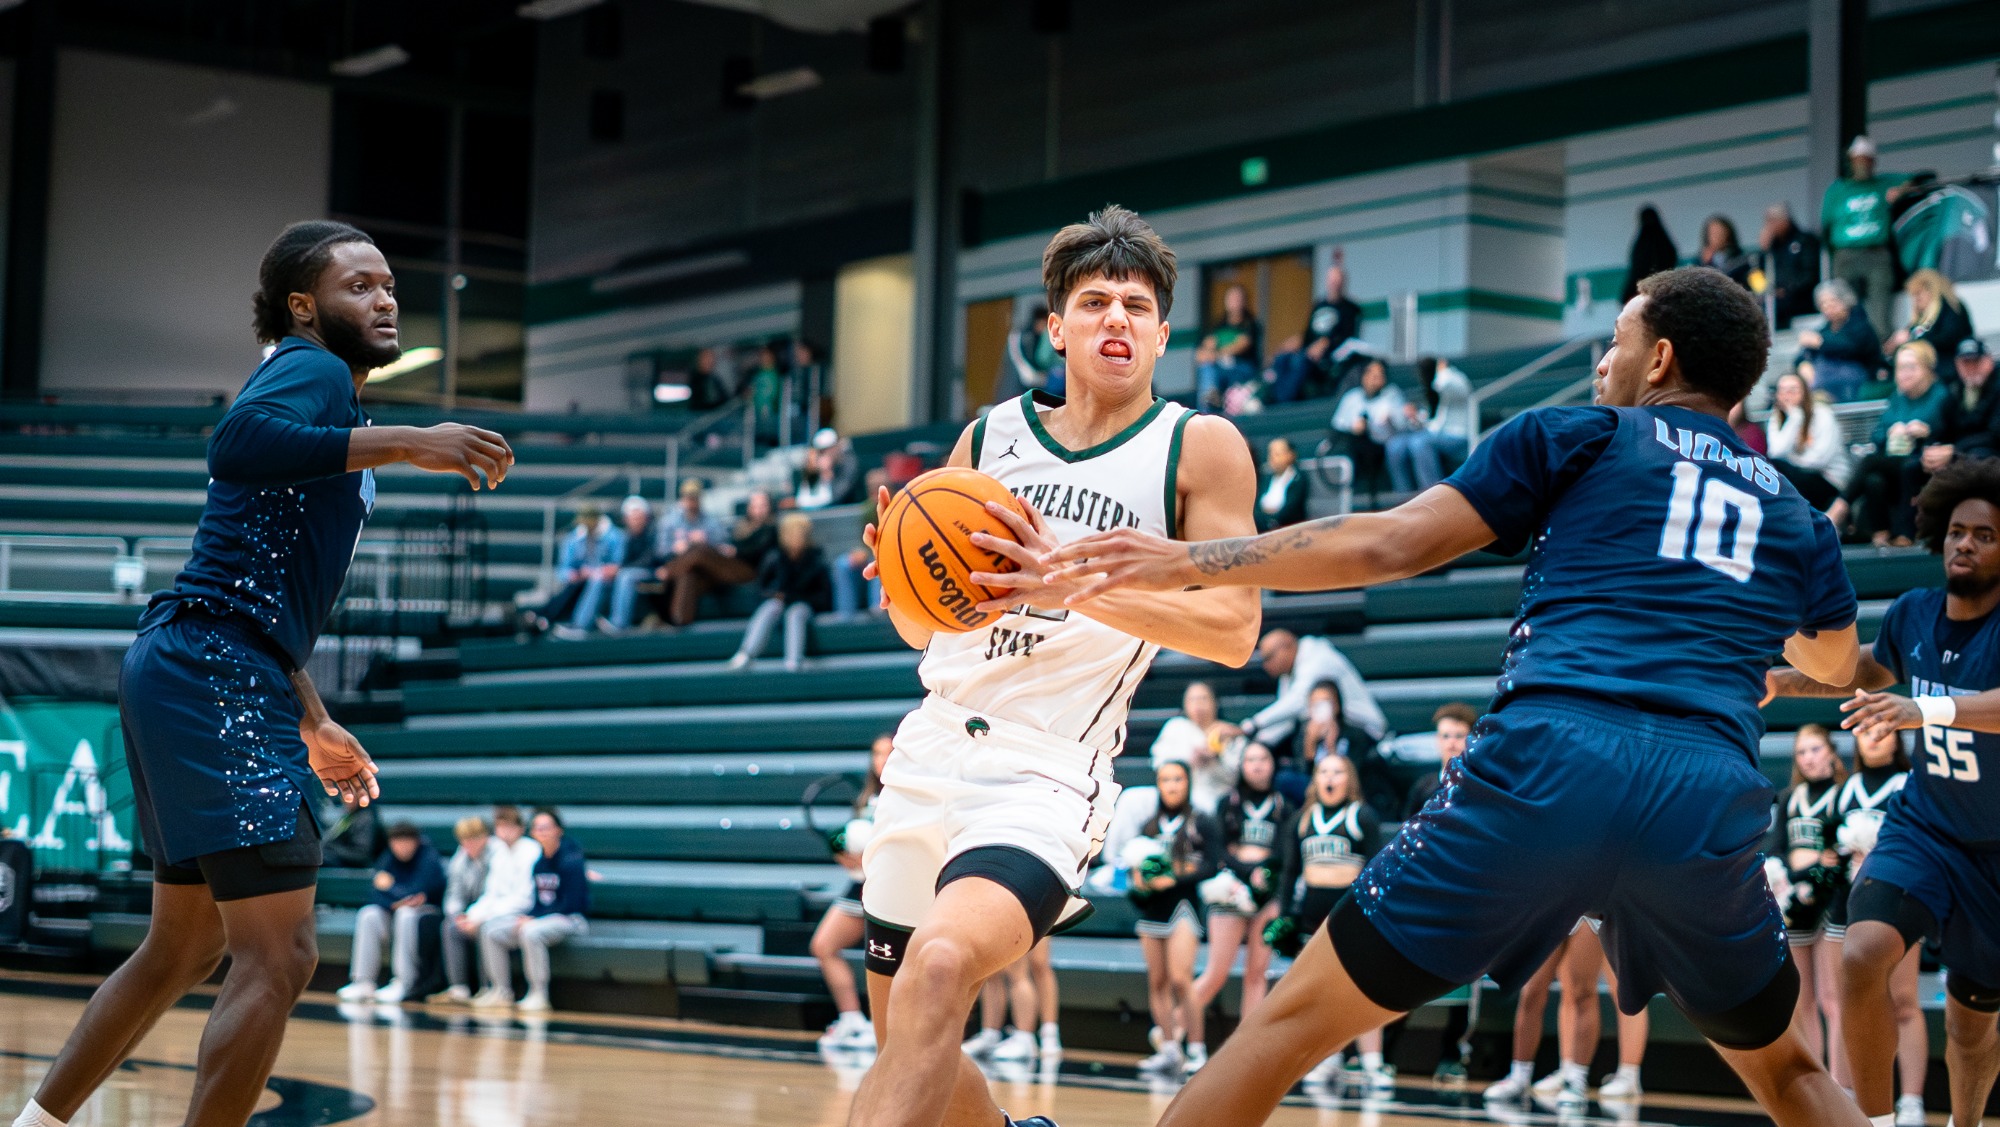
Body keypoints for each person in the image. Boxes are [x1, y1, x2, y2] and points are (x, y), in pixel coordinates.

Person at [1046, 266, 1872, 1127]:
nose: (1602, 363)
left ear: (1659, 359)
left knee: (1282, 1030)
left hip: (1554, 761)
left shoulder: (1577, 434)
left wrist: (1186, 560)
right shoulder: (1799, 516)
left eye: (1616, 342)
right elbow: (1834, 662)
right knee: (1792, 1074)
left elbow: (1391, 544)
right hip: (1705, 790)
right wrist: (1745, 646)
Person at [5, 220, 514, 1127]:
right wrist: (410, 441)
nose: (385, 298)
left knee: (184, 944)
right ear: (304, 306)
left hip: (202, 658)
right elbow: (236, 441)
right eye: (359, 285)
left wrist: (310, 716)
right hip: (213, 667)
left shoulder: (329, 398)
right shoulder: (312, 367)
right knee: (281, 955)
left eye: (389, 284)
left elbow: (255, 589)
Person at [844, 205, 1261, 1127]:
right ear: (1057, 329)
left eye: (1138, 306)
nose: (1117, 318)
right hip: (928, 752)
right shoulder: (989, 440)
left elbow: (1235, 629)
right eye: (1096, 301)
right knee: (907, 1036)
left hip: (1046, 769)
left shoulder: (1197, 447)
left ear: (1162, 335)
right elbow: (924, 633)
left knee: (939, 967)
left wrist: (1071, 584)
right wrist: (905, 583)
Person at [1764, 457, 2000, 1127]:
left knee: (1972, 1028)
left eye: (1984, 535)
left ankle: (1963, 1123)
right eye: (1956, 531)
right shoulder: (1914, 613)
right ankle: (1873, 1122)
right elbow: (1863, 670)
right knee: (1863, 954)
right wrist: (1781, 681)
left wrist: (1926, 711)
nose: (1964, 543)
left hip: (1994, 852)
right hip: (1925, 827)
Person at [1267, 754, 1389, 1091]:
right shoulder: (1302, 820)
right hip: (1312, 918)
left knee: (1363, 991)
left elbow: (1377, 868)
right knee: (1321, 994)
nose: (1330, 778)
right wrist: (1285, 916)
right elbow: (1289, 872)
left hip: (1353, 916)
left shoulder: (1361, 816)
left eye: (1338, 771)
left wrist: (1371, 914)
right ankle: (1328, 1060)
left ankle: (1372, 1064)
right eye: (1323, 772)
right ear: (1315, 780)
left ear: (1350, 780)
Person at [1825, 726, 1927, 1125]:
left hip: (1896, 903)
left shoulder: (1909, 784)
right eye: (1865, 731)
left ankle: (1912, 1101)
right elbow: (1827, 848)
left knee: (1903, 1001)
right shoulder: (1845, 790)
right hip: (1846, 907)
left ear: (1898, 739)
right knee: (1844, 1003)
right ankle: (1844, 1094)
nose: (1874, 737)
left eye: (1883, 731)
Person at [1123, 759, 1222, 1075]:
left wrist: (1175, 878)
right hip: (1152, 909)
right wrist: (1139, 880)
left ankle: (1196, 1049)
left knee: (1181, 979)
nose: (1172, 785)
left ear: (1188, 783)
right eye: (1165, 780)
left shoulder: (1201, 822)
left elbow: (1213, 865)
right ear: (1158, 785)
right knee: (1157, 981)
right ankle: (1168, 1049)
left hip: (1183, 906)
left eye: (1178, 779)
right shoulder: (1148, 827)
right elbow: (1136, 868)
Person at [1766, 725, 1848, 1072]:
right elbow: (1776, 850)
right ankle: (1817, 1082)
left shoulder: (1843, 794)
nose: (1809, 758)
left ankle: (1842, 1085)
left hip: (1832, 901)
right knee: (1803, 1001)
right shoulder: (1790, 797)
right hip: (1796, 902)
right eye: (1802, 752)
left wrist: (1809, 868)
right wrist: (1796, 874)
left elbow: (1839, 855)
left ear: (1831, 751)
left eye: (1815, 749)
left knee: (1833, 999)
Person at [1192, 742, 1291, 1027]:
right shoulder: (1228, 803)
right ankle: (1171, 1032)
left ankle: (1245, 1046)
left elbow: (1283, 854)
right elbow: (1219, 852)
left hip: (1267, 895)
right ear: (1242, 766)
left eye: (1263, 759)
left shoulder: (1284, 806)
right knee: (1216, 973)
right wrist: (1250, 869)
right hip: (1231, 891)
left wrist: (1262, 870)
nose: (1257, 765)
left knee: (1257, 975)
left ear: (1273, 764)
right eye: (1251, 759)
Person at [1830, 342, 1948, 545]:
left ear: (1927, 368)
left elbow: (1949, 434)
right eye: (1900, 368)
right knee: (1873, 479)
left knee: (1871, 462)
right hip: (1895, 464)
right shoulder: (1897, 398)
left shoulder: (1941, 396)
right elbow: (1877, 436)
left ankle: (1838, 509)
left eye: (1910, 367)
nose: (1903, 374)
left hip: (1925, 464)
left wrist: (1925, 432)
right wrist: (1890, 432)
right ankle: (1881, 536)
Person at [817, 735, 891, 1050]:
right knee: (824, 945)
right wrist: (841, 853)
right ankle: (852, 1020)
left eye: (888, 753)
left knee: (887, 959)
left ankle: (888, 1028)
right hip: (860, 886)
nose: (881, 760)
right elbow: (847, 839)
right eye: (876, 753)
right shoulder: (866, 797)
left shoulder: (905, 796)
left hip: (890, 887)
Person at [476, 807, 588, 1014]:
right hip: (545, 918)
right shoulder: (539, 863)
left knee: (531, 931)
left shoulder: (571, 860)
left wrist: (535, 919)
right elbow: (538, 901)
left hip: (570, 919)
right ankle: (501, 991)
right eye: (537, 828)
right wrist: (530, 916)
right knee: (491, 930)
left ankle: (539, 994)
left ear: (558, 830)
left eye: (546, 827)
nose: (542, 832)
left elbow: (571, 903)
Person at [338, 821, 445, 1004]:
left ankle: (403, 982)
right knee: (369, 914)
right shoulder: (388, 857)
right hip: (394, 911)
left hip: (427, 918)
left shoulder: (428, 857)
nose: (401, 847)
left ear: (416, 841)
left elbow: (416, 893)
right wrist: (397, 898)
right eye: (397, 842)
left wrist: (391, 888)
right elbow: (373, 895)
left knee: (405, 913)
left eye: (406, 842)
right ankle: (363, 981)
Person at [1237, 629, 1387, 754]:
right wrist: (1254, 741)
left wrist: (1253, 724)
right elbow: (1286, 722)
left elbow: (1297, 702)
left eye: (1268, 658)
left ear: (1286, 647)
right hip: (1333, 731)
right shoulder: (1288, 673)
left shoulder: (1317, 658)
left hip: (1363, 731)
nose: (1265, 666)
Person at [1822, 136, 1905, 335]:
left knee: (1879, 310)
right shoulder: (1837, 189)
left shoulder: (1884, 183)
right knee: (1843, 308)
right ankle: (1845, 343)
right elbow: (1825, 225)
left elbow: (1922, 177)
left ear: (1873, 162)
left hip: (1877, 253)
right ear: (1851, 161)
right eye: (1858, 159)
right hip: (1846, 254)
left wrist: (1901, 190)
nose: (1862, 163)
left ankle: (1880, 346)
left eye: (1866, 159)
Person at [728, 512, 831, 672]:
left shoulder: (817, 560)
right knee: (771, 606)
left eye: (801, 533)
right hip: (780, 605)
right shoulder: (774, 557)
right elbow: (761, 590)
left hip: (805, 605)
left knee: (795, 612)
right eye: (793, 533)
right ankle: (746, 653)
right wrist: (775, 595)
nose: (797, 537)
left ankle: (794, 661)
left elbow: (824, 597)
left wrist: (796, 598)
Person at [461, 806, 541, 1008]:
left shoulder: (531, 851)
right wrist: (472, 915)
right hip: (500, 913)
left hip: (525, 913)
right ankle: (489, 988)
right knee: (471, 926)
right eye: (500, 827)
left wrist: (485, 917)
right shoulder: (499, 854)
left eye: (509, 827)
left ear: (520, 828)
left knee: (489, 930)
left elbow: (525, 898)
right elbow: (490, 894)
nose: (505, 832)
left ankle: (502, 990)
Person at [649, 479, 739, 627]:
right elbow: (660, 551)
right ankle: (676, 621)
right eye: (688, 498)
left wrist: (706, 542)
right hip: (680, 569)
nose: (691, 502)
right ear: (682, 499)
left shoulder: (711, 522)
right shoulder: (669, 521)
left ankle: (671, 617)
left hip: (706, 571)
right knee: (686, 575)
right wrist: (675, 547)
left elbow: (726, 549)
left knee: (697, 556)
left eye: (694, 498)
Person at [1299, 680, 1390, 818]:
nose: (1320, 708)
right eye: (1315, 704)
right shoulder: (1302, 735)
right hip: (1314, 791)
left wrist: (1331, 745)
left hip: (1354, 791)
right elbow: (1303, 773)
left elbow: (1354, 773)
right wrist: (1310, 745)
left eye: (1325, 703)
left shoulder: (1355, 734)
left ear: (1336, 705)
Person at [532, 504, 624, 640]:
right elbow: (563, 568)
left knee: (595, 581)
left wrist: (593, 572)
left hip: (605, 582)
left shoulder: (615, 537)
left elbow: (617, 566)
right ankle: (544, 617)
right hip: (580, 582)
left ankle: (578, 624)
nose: (586, 526)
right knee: (572, 587)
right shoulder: (574, 538)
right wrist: (572, 574)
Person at [1150, 681, 1244, 814]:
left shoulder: (1229, 732)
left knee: (1201, 804)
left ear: (1215, 703)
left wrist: (1216, 757)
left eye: (1203, 699)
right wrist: (1190, 761)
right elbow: (1158, 763)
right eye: (1192, 700)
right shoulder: (1175, 726)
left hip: (1212, 794)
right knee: (1131, 798)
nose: (1198, 704)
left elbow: (1233, 779)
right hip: (1172, 791)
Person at [427, 815, 491, 1005]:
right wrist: (457, 915)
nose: (468, 844)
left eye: (473, 838)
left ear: (485, 837)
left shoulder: (497, 856)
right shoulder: (460, 858)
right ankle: (458, 988)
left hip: (490, 913)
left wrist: (474, 917)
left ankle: (487, 988)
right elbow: (453, 893)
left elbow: (495, 894)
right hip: (469, 914)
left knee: (486, 928)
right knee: (450, 926)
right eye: (464, 839)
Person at [1386, 356, 1475, 494]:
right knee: (1395, 445)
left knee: (1420, 443)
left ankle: (1433, 495)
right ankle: (1404, 496)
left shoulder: (1454, 378)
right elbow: (1434, 423)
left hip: (1459, 437)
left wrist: (1442, 370)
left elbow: (1449, 386)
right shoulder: (1433, 389)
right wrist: (1417, 418)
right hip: (1438, 436)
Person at [1329, 359, 1413, 501]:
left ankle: (1403, 497)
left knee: (1394, 447)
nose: (1375, 378)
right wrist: (1353, 427)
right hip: (1359, 446)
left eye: (1380, 375)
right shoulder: (1352, 397)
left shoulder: (1391, 394)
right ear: (1363, 377)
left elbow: (1403, 424)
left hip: (1386, 443)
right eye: (1371, 374)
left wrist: (1392, 418)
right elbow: (1338, 425)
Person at [1765, 371, 1851, 511]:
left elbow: (1819, 460)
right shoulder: (1777, 418)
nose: (1788, 395)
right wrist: (1794, 418)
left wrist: (1791, 461)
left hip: (1829, 479)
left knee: (1782, 473)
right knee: (1775, 469)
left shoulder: (1822, 414)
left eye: (1793, 390)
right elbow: (1775, 452)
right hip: (1800, 477)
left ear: (1805, 392)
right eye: (1783, 390)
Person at [1797, 280, 1883, 403]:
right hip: (1823, 381)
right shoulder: (1824, 330)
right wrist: (1803, 363)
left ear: (1845, 301)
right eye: (1823, 304)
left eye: (1832, 301)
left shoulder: (1860, 326)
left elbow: (1851, 347)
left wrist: (1821, 343)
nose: (1828, 307)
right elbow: (1802, 356)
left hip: (1857, 382)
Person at [1886, 268, 1975, 369]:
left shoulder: (1950, 309)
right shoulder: (1922, 317)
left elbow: (1948, 338)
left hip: (1946, 367)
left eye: (1918, 294)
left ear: (1931, 290)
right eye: (1913, 295)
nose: (1916, 300)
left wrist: (1911, 339)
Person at [1195, 284, 1261, 414]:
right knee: (1206, 367)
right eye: (1231, 298)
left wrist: (1216, 354)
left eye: (1237, 299)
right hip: (1219, 368)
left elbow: (1242, 345)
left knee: (1213, 367)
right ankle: (1207, 406)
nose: (1234, 302)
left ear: (1244, 301)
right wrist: (1208, 354)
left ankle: (1213, 403)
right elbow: (1201, 352)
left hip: (1242, 368)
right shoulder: (1218, 324)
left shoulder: (1250, 323)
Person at [832, 471, 888, 619]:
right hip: (870, 553)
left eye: (878, 487)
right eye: (871, 488)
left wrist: (872, 553)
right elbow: (864, 540)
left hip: (889, 556)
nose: (874, 492)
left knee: (877, 564)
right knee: (842, 564)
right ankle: (846, 617)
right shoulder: (867, 509)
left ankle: (878, 611)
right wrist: (860, 552)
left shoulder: (899, 506)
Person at [1302, 260, 1364, 395]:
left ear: (1344, 282)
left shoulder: (1351, 308)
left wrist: (1325, 342)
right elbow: (1307, 334)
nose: (1334, 284)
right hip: (1311, 354)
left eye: (1337, 280)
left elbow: (1349, 337)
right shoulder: (1318, 305)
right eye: (1332, 280)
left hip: (1336, 355)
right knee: (1289, 360)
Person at [1404, 702, 1475, 818]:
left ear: (1471, 739)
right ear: (1438, 740)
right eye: (1446, 736)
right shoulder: (1423, 788)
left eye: (1459, 736)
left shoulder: (1482, 786)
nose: (1451, 742)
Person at [1760, 203, 1823, 328]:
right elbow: (1758, 273)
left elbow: (1810, 275)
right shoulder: (1773, 247)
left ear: (1785, 220)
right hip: (1776, 298)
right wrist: (1763, 251)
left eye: (1772, 221)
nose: (1769, 227)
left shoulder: (1805, 240)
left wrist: (1786, 290)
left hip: (1802, 298)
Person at [603, 496, 659, 632]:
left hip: (653, 571)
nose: (635, 521)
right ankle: (584, 623)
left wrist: (621, 569)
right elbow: (624, 560)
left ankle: (619, 624)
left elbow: (649, 560)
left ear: (646, 517)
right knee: (601, 577)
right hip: (632, 571)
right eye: (632, 518)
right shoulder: (627, 536)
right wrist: (615, 569)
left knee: (625, 576)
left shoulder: (653, 533)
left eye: (638, 517)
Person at [1621, 205, 1679, 303]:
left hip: (1641, 294)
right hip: (1666, 291)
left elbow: (1636, 271)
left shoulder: (1640, 245)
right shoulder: (1665, 243)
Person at [320, 788, 386, 869]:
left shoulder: (366, 819)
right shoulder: (350, 816)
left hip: (355, 868)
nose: (345, 800)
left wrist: (332, 848)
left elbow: (361, 854)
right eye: (344, 795)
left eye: (351, 796)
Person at [1255, 438, 1308, 533]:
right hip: (1263, 529)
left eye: (1277, 454)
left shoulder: (1297, 478)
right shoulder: (1267, 478)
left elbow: (1290, 510)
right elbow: (1258, 505)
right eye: (1270, 454)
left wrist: (1270, 518)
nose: (1272, 458)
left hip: (1288, 530)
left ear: (1290, 455)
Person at [1698, 214, 1752, 288]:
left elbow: (1758, 288)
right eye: (1713, 233)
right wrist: (1705, 263)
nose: (1717, 237)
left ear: (1728, 234)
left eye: (1720, 233)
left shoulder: (1743, 260)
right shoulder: (1699, 261)